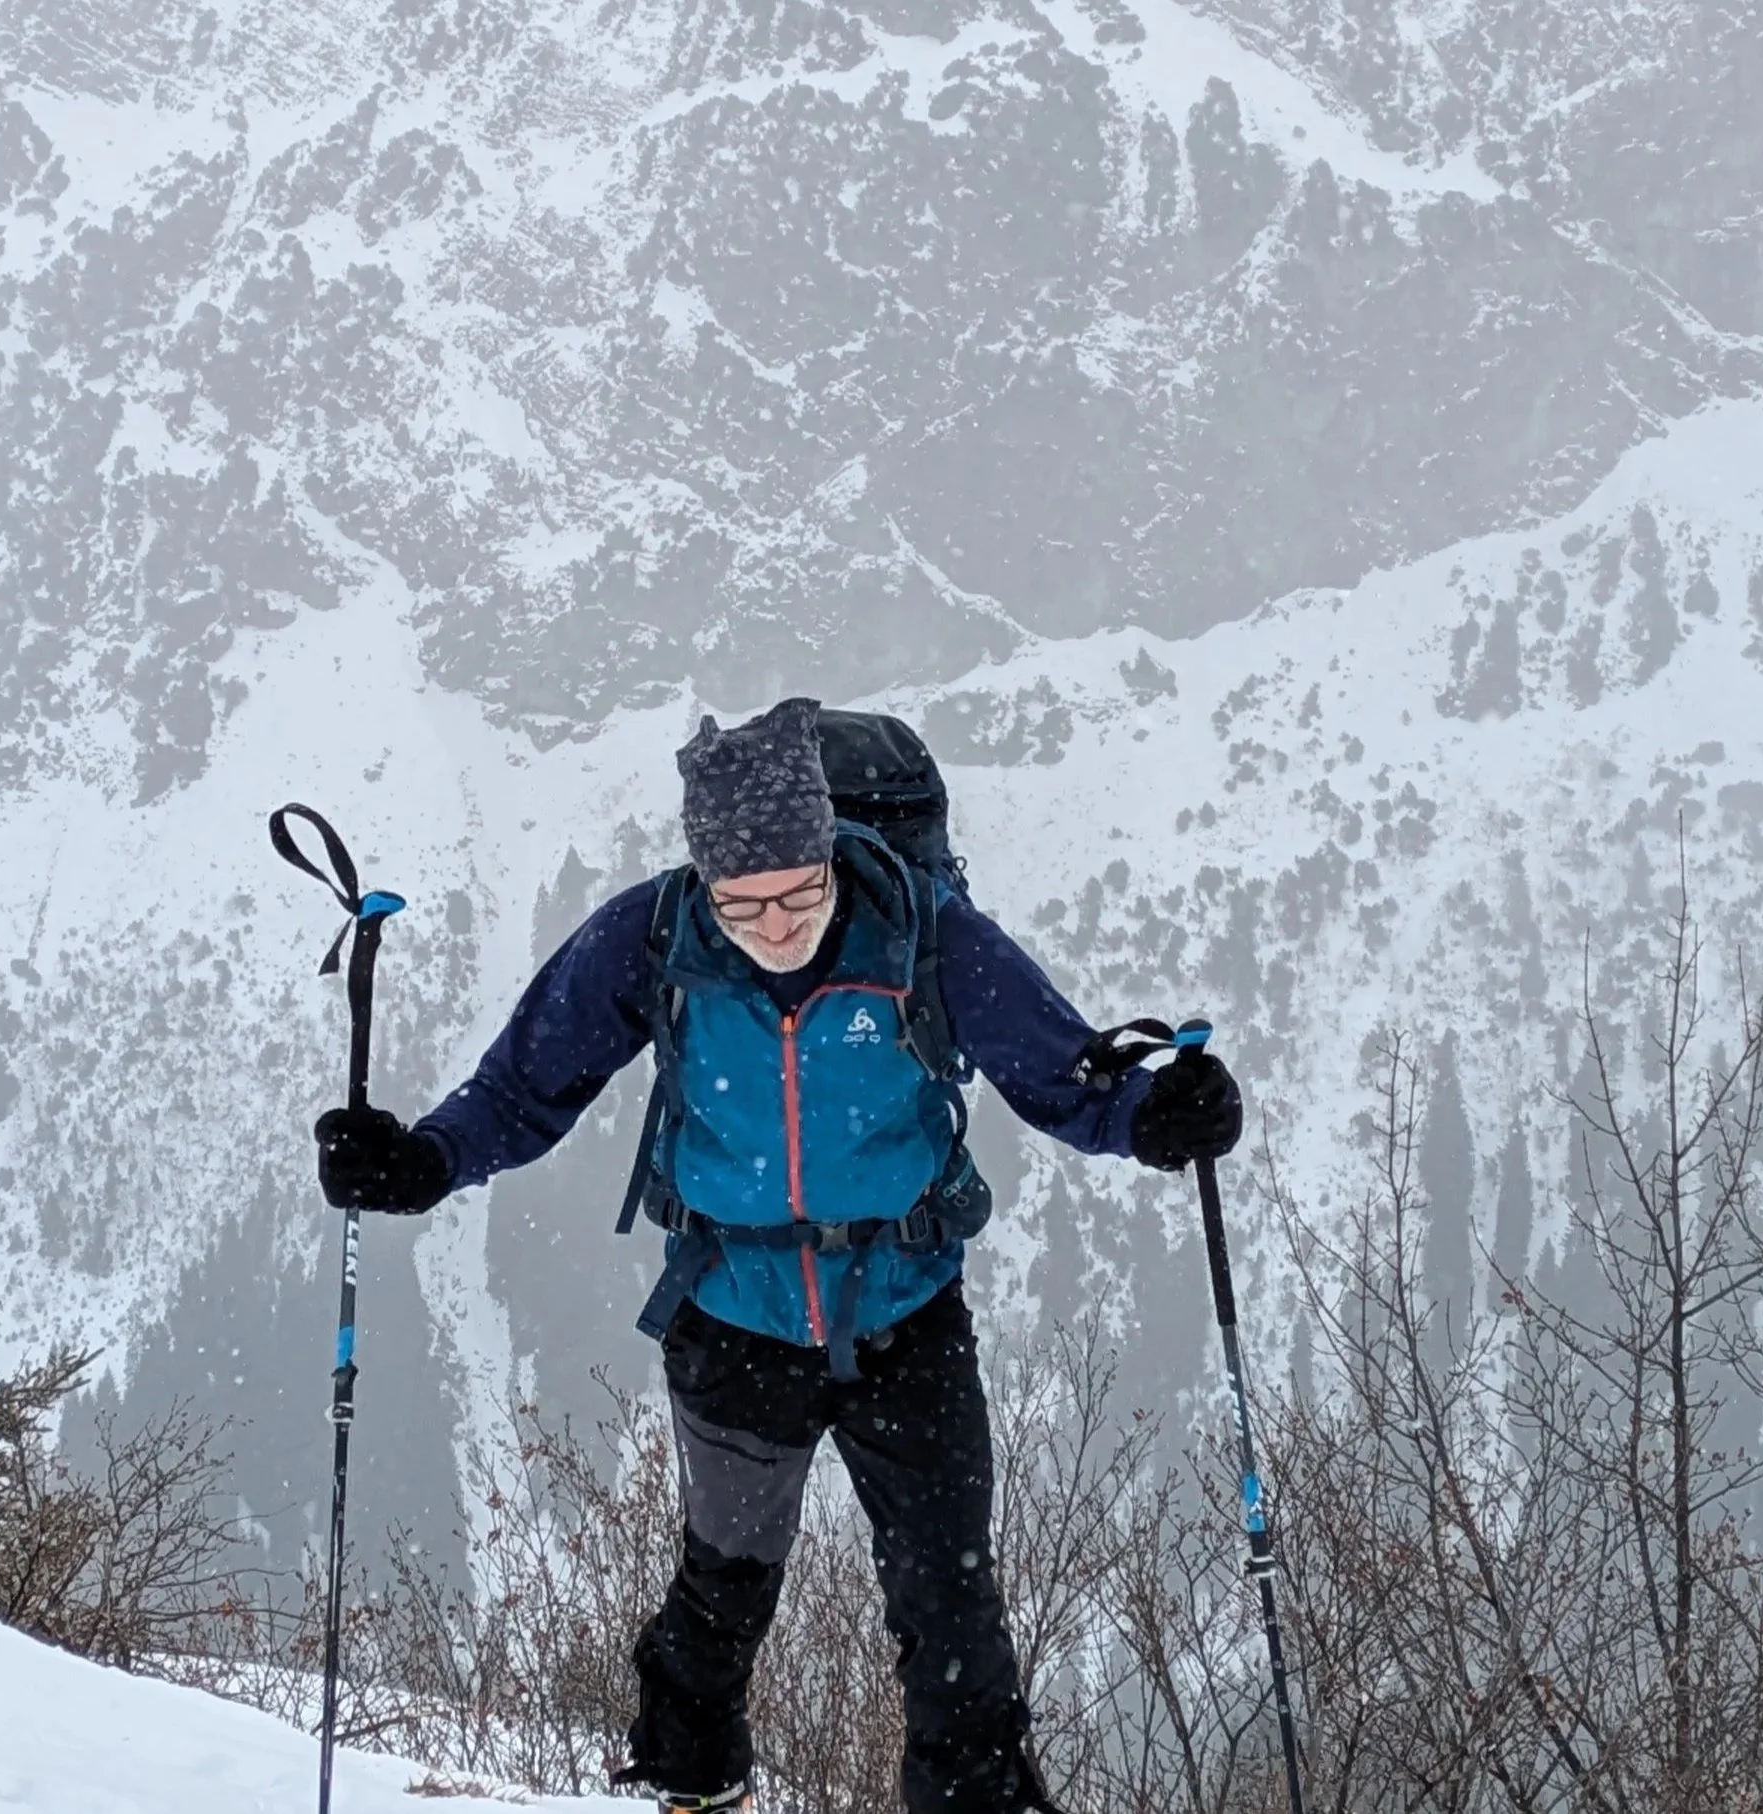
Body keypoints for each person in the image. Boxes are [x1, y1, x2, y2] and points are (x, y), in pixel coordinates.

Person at [312, 697, 1243, 1814]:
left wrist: (1158, 1116)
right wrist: (421, 1158)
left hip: (907, 1312)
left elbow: (1062, 1074)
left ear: (835, 851)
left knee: (952, 1608)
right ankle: (696, 1791)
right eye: (744, 902)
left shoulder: (925, 931)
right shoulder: (654, 937)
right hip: (732, 1315)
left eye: (803, 891)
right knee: (725, 1589)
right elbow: (527, 1085)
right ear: (703, 877)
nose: (776, 923)